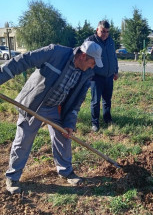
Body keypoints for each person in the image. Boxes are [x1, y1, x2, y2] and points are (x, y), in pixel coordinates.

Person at [0, 41, 103, 194]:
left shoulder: (86, 73)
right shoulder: (55, 52)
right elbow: (23, 60)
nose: (93, 66)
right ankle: (13, 176)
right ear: (83, 56)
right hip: (34, 104)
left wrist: (69, 122)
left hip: (55, 108)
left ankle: (66, 171)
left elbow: (76, 102)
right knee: (24, 139)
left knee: (64, 137)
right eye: (92, 62)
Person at [86, 20, 119, 132]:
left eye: (107, 32)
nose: (105, 34)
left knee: (107, 100)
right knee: (95, 101)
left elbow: (113, 56)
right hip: (96, 77)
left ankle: (107, 119)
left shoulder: (110, 41)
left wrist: (115, 71)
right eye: (103, 31)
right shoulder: (90, 41)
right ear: (97, 30)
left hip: (109, 76)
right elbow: (84, 58)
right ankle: (95, 123)